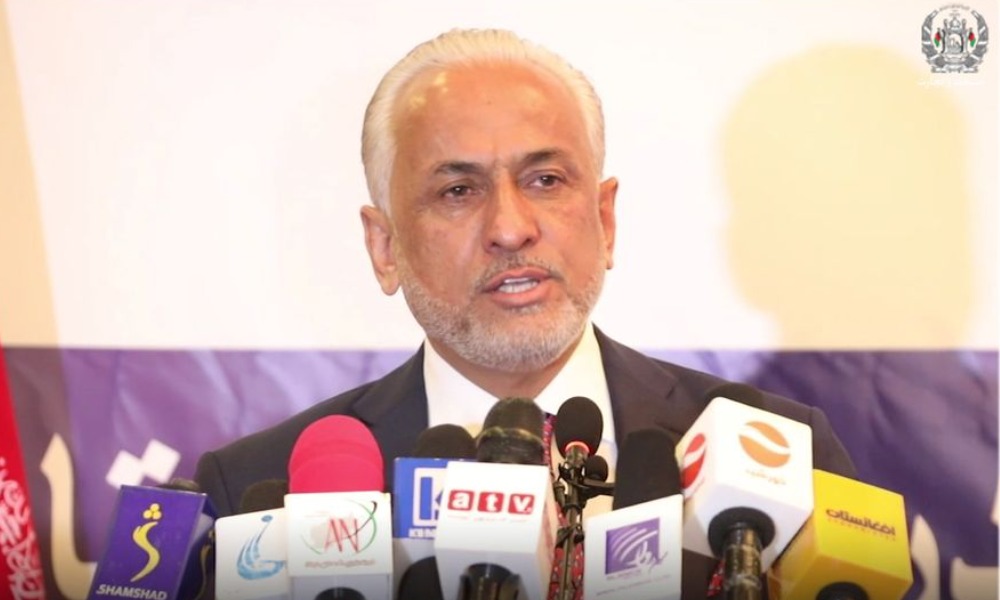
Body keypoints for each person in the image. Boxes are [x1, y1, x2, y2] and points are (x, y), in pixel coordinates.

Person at [194, 28, 856, 599]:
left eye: (545, 180)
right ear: (385, 246)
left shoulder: (785, 456)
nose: (510, 228)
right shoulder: (254, 493)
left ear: (604, 219)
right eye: (458, 190)